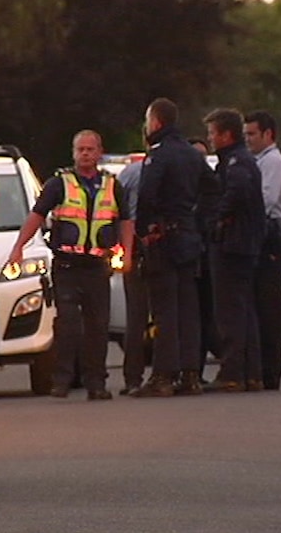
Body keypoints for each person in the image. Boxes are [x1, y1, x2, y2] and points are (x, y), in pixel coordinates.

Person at [8, 129, 133, 401]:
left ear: (99, 153)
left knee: (98, 326)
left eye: (90, 149)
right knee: (68, 325)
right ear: (74, 153)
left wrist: (128, 252)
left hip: (97, 266)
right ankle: (62, 380)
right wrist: (18, 247)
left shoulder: (113, 186)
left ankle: (96, 383)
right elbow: (37, 215)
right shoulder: (59, 184)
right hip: (66, 265)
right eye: (81, 150)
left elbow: (125, 221)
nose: (85, 154)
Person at [132, 98, 217, 398]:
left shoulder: (159, 155)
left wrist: (145, 230)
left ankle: (163, 376)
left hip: (165, 240)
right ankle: (191, 375)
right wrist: (196, 220)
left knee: (165, 310)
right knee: (188, 309)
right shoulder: (193, 156)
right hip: (189, 238)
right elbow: (213, 189)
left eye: (147, 120)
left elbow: (147, 197)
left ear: (156, 122)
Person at [202, 108, 266, 392]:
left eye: (212, 133)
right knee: (244, 310)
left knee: (230, 312)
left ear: (226, 134)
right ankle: (252, 373)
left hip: (232, 245)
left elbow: (237, 190)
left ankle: (232, 373)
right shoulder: (242, 159)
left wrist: (218, 217)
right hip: (244, 245)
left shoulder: (235, 163)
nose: (210, 139)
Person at [244, 110, 281, 390]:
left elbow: (267, 199)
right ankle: (260, 369)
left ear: (268, 134)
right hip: (261, 234)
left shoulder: (272, 161)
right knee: (258, 306)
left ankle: (270, 372)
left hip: (270, 236)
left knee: (268, 307)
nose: (247, 139)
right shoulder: (258, 160)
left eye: (252, 134)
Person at [116, 151, 149, 395]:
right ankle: (168, 374)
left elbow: (119, 210)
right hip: (162, 246)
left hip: (136, 246)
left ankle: (133, 378)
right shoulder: (175, 169)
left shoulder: (130, 173)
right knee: (168, 316)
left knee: (136, 316)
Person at [188, 136, 220, 381]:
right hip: (189, 258)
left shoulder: (211, 185)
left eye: (203, 156)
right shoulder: (183, 185)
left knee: (205, 317)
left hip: (207, 259)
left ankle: (195, 371)